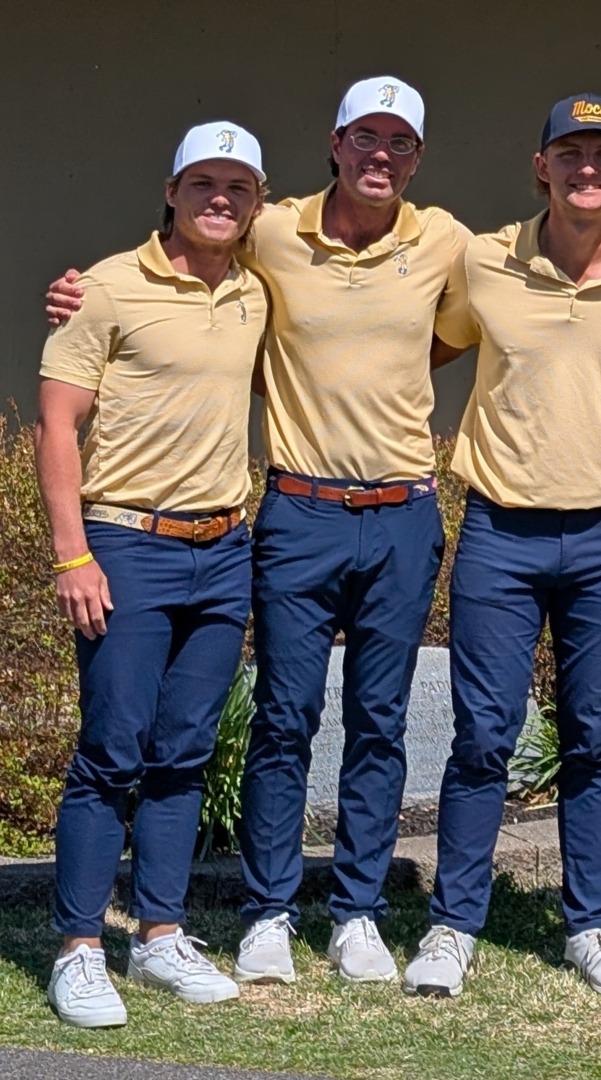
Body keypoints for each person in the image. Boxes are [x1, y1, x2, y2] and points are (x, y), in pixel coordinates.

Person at [40, 76, 601, 987]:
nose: (382, 155)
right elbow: (181, 254)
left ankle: (359, 912)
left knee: (380, 723)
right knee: (284, 719)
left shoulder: (448, 242)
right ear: (335, 144)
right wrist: (80, 291)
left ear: (417, 157)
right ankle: (264, 913)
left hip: (403, 514)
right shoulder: (268, 228)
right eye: (365, 138)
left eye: (400, 143)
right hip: (297, 513)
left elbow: (460, 333)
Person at [399, 93, 601, 999]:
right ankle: (453, 924)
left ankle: (591, 925)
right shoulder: (485, 262)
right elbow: (414, 343)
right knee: (483, 738)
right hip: (500, 529)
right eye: (571, 154)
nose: (588, 170)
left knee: (592, 740)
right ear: (542, 167)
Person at [35, 122, 270, 1028]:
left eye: (239, 186)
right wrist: (72, 554)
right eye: (203, 182)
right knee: (111, 754)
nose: (221, 198)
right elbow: (58, 427)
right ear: (171, 190)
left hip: (224, 549)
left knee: (184, 756)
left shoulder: (258, 288)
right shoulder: (104, 287)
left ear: (257, 201)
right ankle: (80, 948)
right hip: (127, 545)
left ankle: (162, 935)